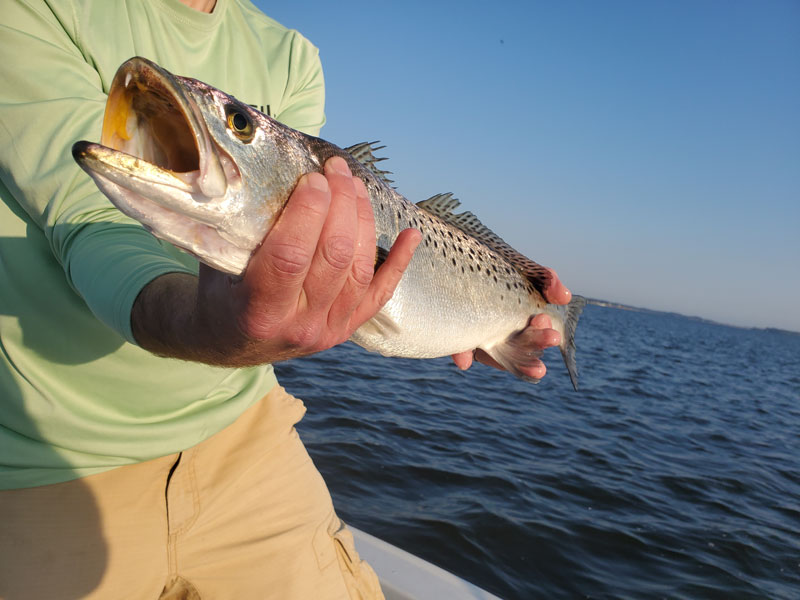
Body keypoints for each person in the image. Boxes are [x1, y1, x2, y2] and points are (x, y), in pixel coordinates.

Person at [0, 0, 572, 598]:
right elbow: (86, 219)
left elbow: (310, 266)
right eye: (240, 124)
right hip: (46, 462)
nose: (236, 129)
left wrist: (463, 318)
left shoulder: (293, 56)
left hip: (245, 438)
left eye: (242, 124)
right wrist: (209, 326)